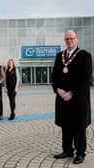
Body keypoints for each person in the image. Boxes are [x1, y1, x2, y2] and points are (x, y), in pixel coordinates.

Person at [52, 30, 92, 164]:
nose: (69, 41)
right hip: (63, 99)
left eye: (71, 38)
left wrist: (71, 93)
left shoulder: (85, 56)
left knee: (79, 127)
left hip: (78, 99)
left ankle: (80, 153)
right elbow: (54, 76)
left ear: (77, 39)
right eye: (66, 39)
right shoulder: (59, 56)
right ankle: (67, 150)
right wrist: (58, 90)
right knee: (66, 125)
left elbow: (85, 79)